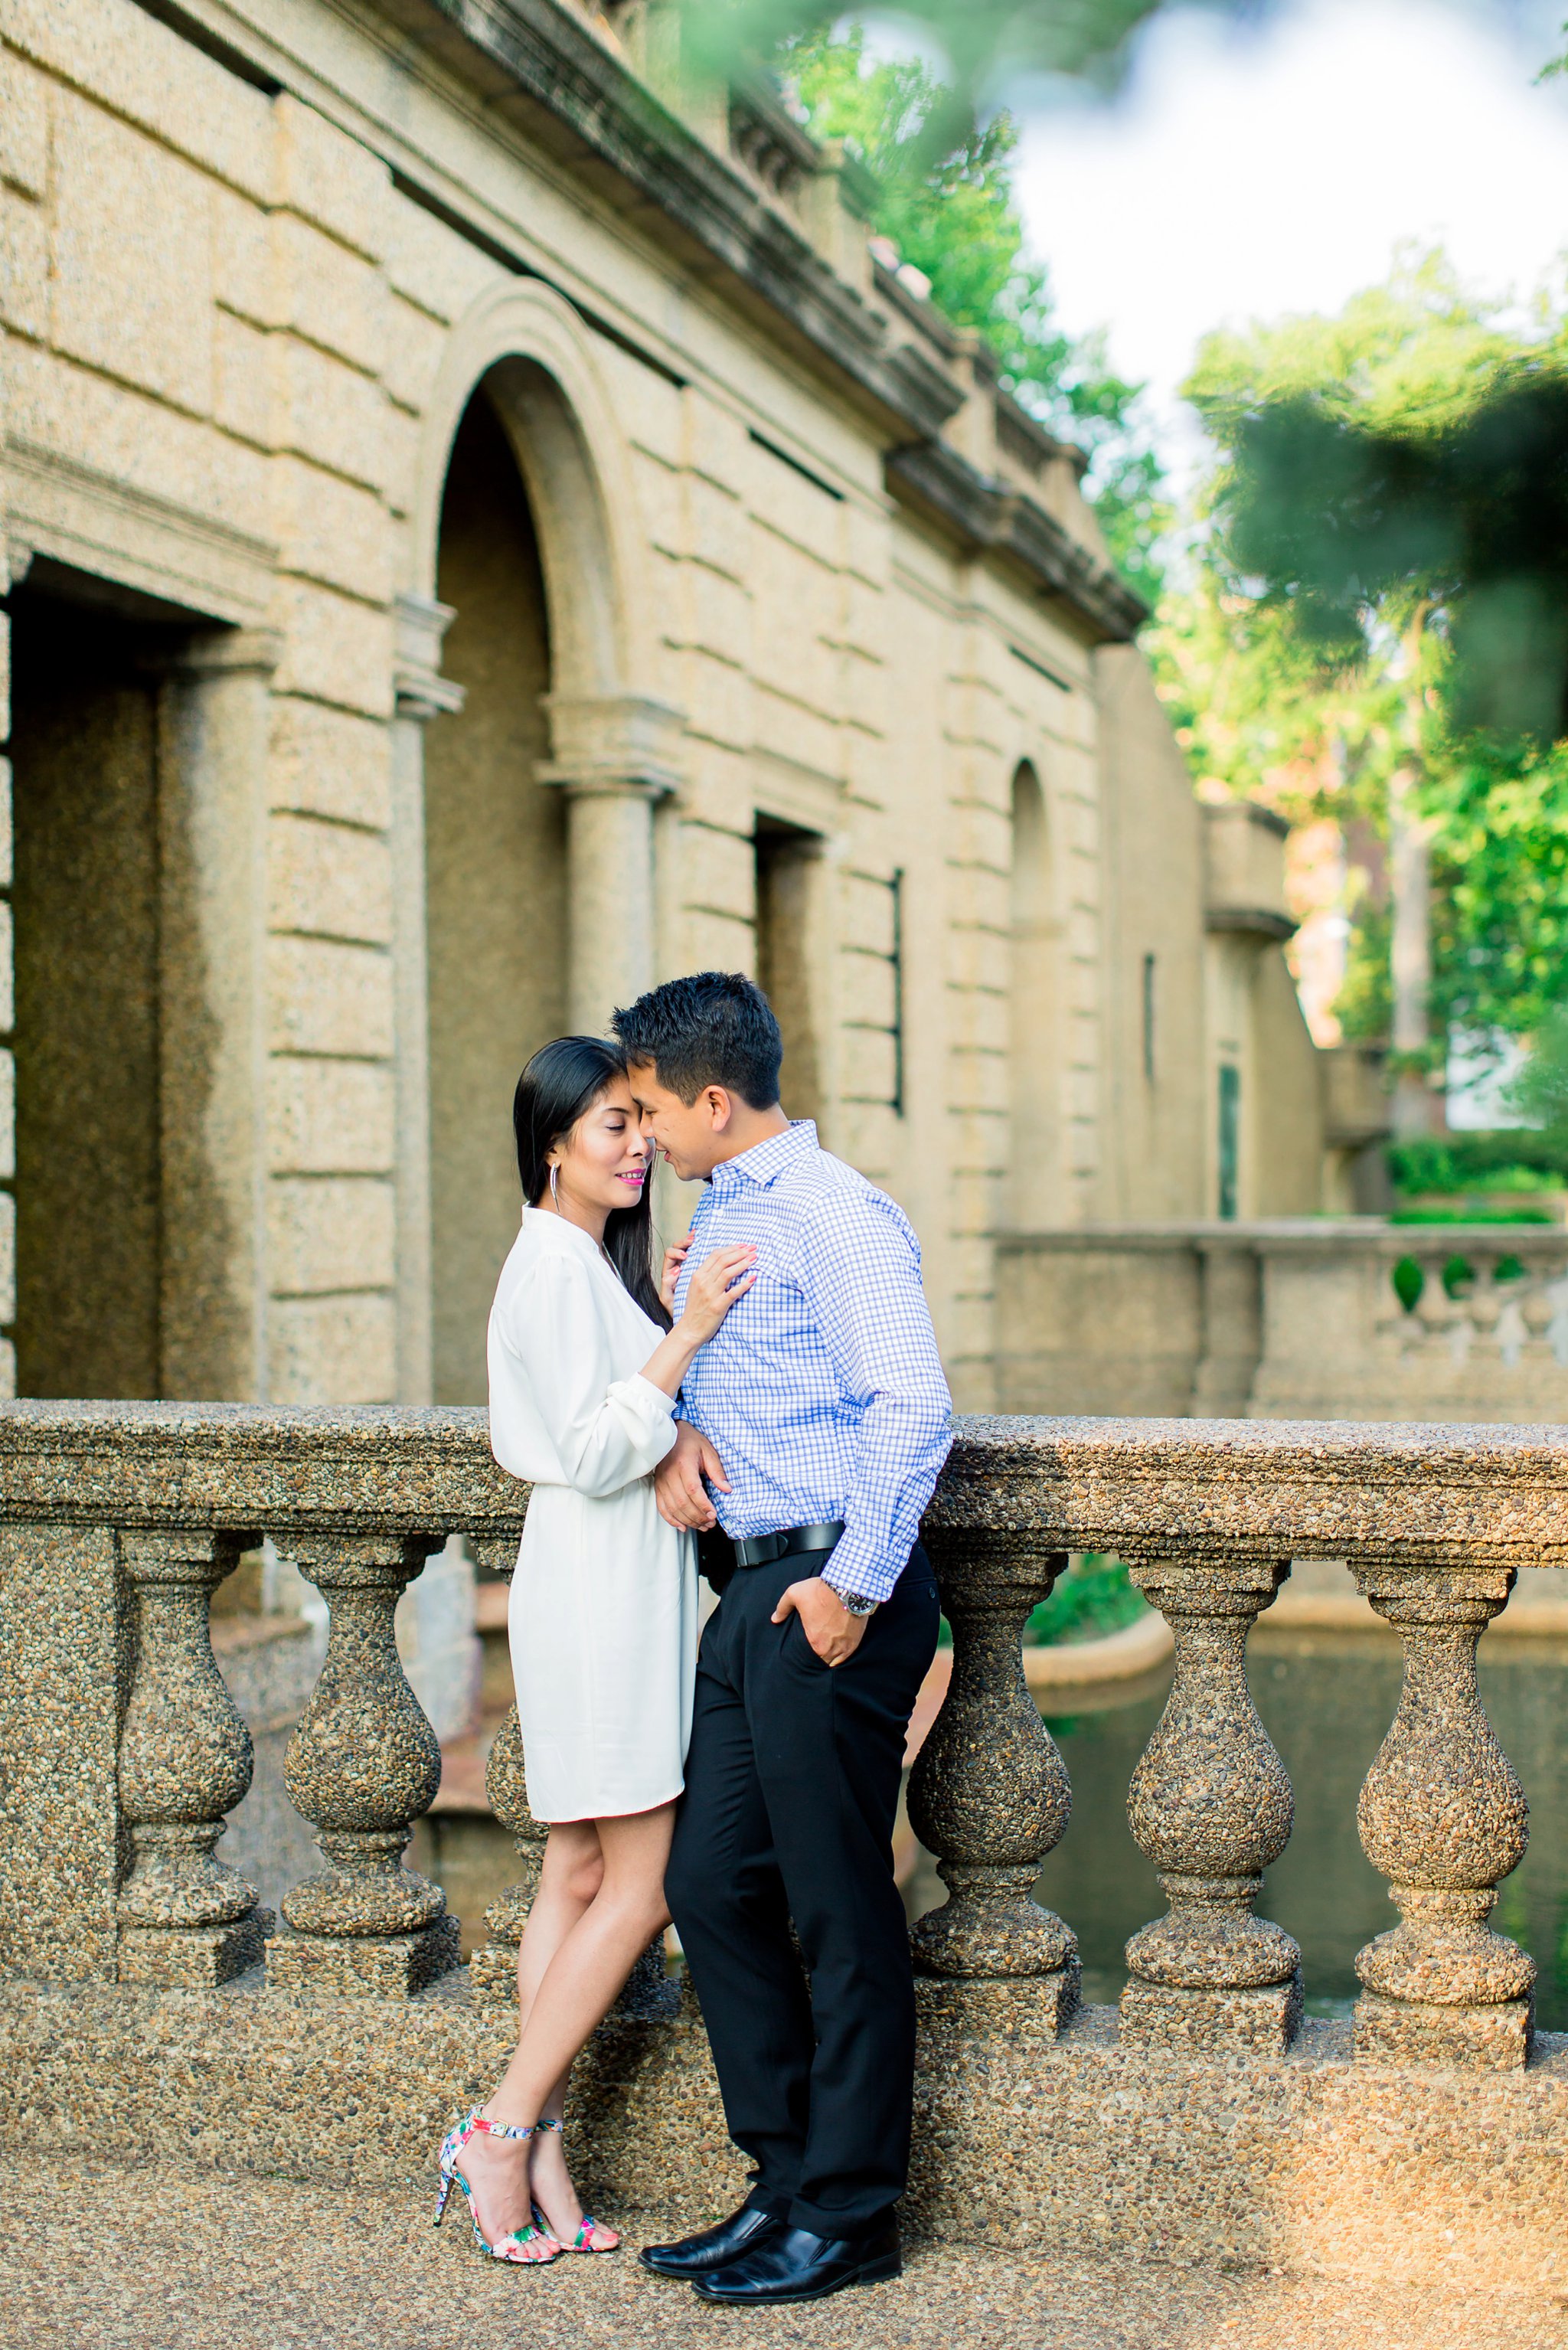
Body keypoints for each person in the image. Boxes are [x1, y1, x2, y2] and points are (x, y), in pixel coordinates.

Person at [613, 972, 954, 2309]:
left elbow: (911, 1408)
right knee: (711, 1886)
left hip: (829, 1591)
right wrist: (687, 1426)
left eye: (647, 1108)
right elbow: (755, 1377)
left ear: (712, 1100)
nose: (637, 1133)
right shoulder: (725, 1211)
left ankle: (853, 2211)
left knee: (837, 1904)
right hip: (750, 1589)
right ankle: (783, 2178)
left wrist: (852, 1587)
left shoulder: (834, 1214)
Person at [433, 1035, 757, 2268]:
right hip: (596, 1583)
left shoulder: (584, 1262)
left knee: (574, 1866)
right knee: (643, 1873)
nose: (635, 1145)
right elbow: (591, 1441)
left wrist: (669, 1336)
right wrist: (685, 1336)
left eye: (640, 1122)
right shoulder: (546, 1268)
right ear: (554, 1140)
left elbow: (634, 1418)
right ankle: (503, 2128)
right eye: (611, 1125)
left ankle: (538, 2143)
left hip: (610, 1576)